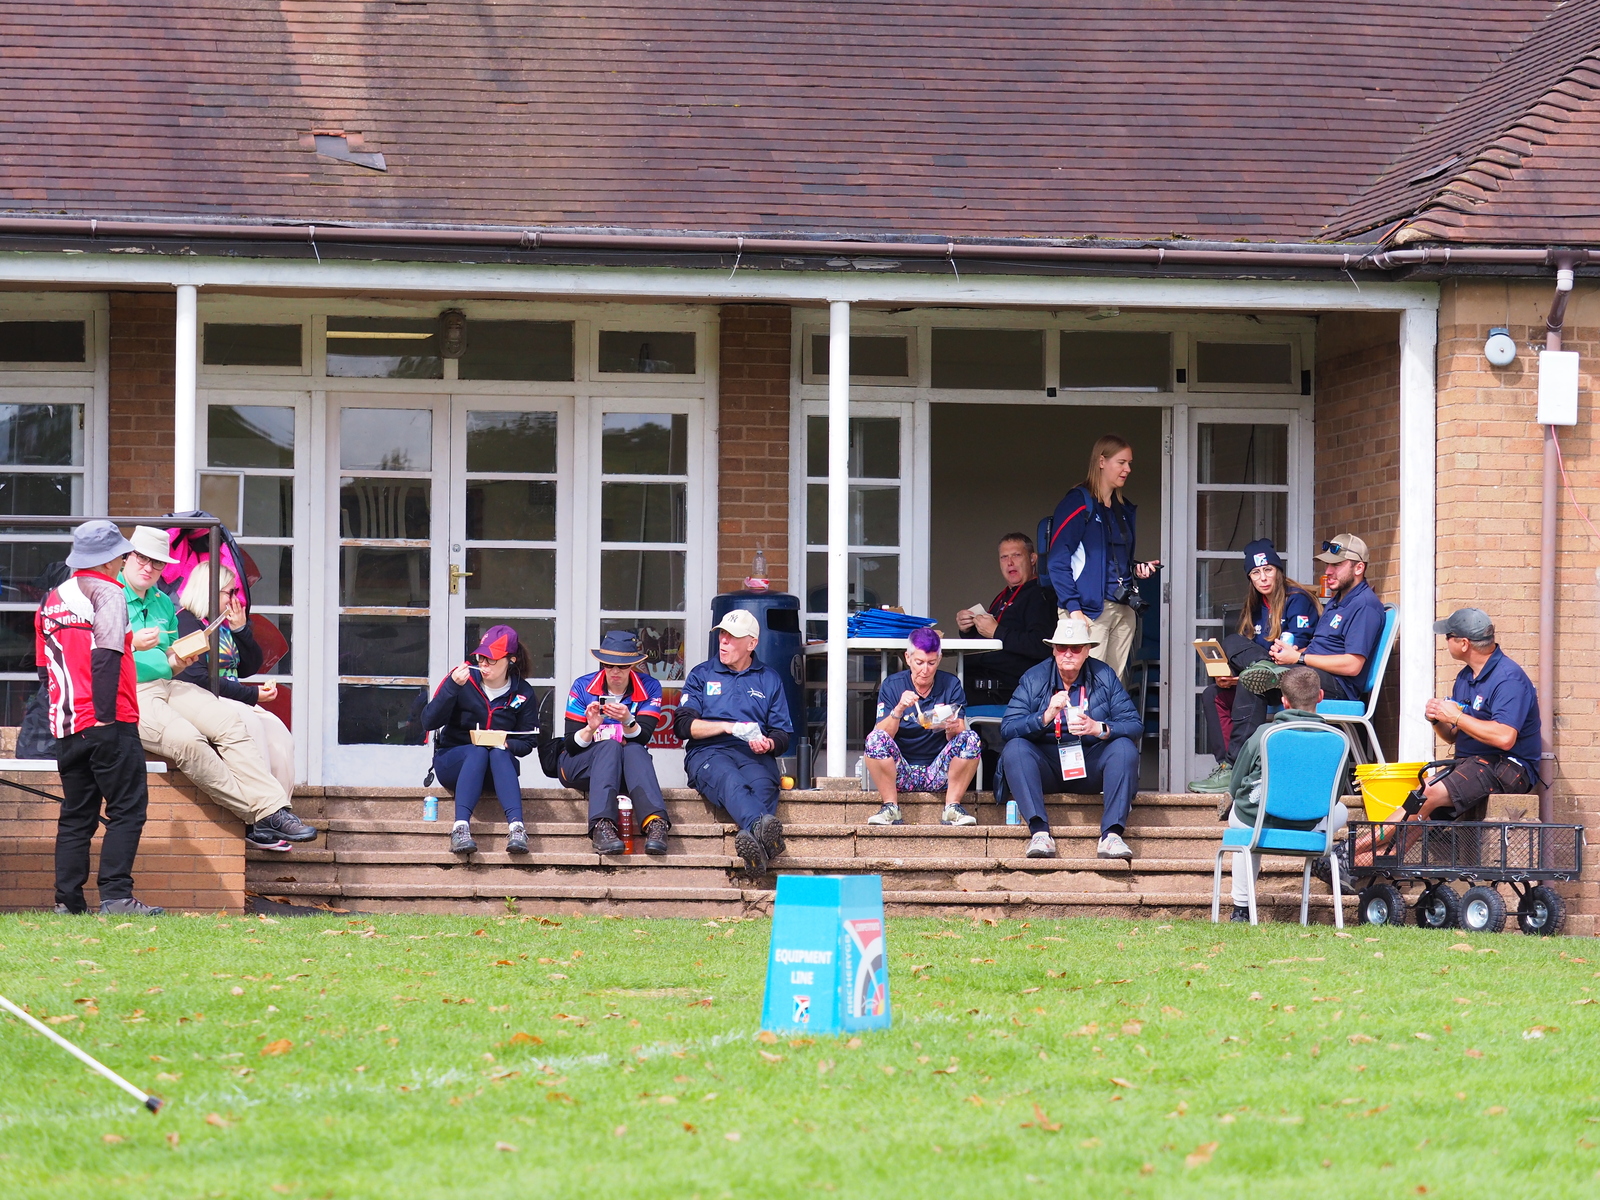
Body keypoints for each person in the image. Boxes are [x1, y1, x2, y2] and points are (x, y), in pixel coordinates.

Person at [123, 530, 312, 851]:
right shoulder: (109, 596)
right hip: (127, 690)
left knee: (230, 724)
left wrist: (182, 658)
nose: (149, 568)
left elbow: (171, 660)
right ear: (126, 557)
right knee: (189, 741)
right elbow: (91, 650)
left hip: (167, 683)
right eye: (142, 558)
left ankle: (274, 811)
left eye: (157, 563)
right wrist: (131, 643)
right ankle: (258, 815)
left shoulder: (161, 603)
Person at [39, 521, 161, 915]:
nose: (125, 558)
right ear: (110, 559)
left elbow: (44, 669)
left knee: (77, 815)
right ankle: (116, 898)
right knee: (128, 808)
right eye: (123, 553)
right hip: (109, 719)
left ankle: (68, 903)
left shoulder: (52, 598)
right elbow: (106, 656)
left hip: (67, 724)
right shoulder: (108, 592)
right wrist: (107, 720)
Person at [995, 616, 1143, 860]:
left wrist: (1099, 728)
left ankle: (1112, 836)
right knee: (1016, 749)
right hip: (1048, 764)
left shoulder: (1103, 675)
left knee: (1124, 747)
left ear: (1087, 651)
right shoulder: (1034, 678)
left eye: (1075, 648)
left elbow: (1133, 725)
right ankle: (1039, 833)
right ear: (1053, 650)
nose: (1068, 654)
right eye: (1062, 647)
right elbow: (1008, 728)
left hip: (1091, 761)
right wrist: (1045, 716)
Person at [1189, 539, 1321, 793]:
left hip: (1293, 678)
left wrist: (1270, 664)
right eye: (1256, 572)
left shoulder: (1298, 599)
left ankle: (1237, 764)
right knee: (1213, 694)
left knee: (1241, 663)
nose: (1263, 577)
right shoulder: (1256, 606)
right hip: (1266, 676)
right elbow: (1248, 646)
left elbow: (1305, 649)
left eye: (1268, 569)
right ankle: (1227, 770)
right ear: (1250, 578)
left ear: (1278, 571)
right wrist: (1232, 677)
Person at [1223, 666, 1351, 923]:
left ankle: (1241, 908)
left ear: (1283, 700)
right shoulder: (1338, 739)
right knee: (1342, 811)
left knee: (1244, 829)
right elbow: (1334, 795)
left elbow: (1236, 784)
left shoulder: (1265, 734)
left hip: (1257, 820)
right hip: (1309, 824)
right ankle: (1321, 852)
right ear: (1321, 696)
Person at [675, 609, 792, 876]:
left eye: (732, 636)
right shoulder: (701, 675)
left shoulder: (769, 678)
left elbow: (782, 734)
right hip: (708, 752)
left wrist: (769, 745)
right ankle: (763, 833)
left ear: (751, 644)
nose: (724, 641)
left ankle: (756, 848)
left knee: (764, 783)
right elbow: (683, 726)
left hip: (752, 754)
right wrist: (727, 726)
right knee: (730, 780)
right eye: (722, 634)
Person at [174, 562, 295, 804]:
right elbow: (197, 677)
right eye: (230, 592)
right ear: (209, 590)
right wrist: (251, 695)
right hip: (207, 700)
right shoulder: (186, 622)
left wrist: (241, 630)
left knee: (280, 737)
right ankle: (259, 811)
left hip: (234, 698)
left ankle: (279, 810)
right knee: (252, 728)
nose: (234, 599)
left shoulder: (222, 623)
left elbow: (249, 667)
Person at [1045, 434, 1160, 677]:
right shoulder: (1078, 502)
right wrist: (1074, 610)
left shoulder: (1122, 508)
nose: (1127, 469)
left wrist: (1137, 568)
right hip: (1088, 610)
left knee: (1112, 687)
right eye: (1121, 462)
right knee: (1083, 686)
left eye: (1130, 464)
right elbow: (1057, 561)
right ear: (1101, 461)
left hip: (1123, 608)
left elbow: (1110, 560)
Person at [419, 625, 541, 855]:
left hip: (496, 768)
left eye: (491, 659)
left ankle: (517, 828)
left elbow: (528, 742)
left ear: (511, 660)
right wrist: (452, 688)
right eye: (480, 657)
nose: (483, 664)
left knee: (496, 751)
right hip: (454, 762)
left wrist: (506, 744)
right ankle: (460, 828)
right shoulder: (462, 680)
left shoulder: (522, 692)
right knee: (477, 750)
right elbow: (428, 721)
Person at [1417, 608, 1539, 819]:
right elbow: (1454, 735)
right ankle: (1371, 852)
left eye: (1448, 637)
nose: (1445, 642)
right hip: (1470, 762)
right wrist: (1437, 719)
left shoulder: (1508, 679)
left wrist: (1456, 716)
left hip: (1508, 765)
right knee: (1419, 797)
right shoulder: (1465, 677)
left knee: (1427, 792)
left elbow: (1504, 737)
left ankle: (1359, 848)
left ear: (1464, 643)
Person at [559, 630, 670, 855]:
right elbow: (570, 745)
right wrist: (590, 727)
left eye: (623, 665)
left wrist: (627, 719)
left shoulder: (649, 686)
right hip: (580, 765)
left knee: (635, 749)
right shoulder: (583, 686)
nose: (615, 671)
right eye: (608, 665)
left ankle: (656, 823)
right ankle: (601, 825)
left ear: (634, 665)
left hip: (623, 770)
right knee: (610, 745)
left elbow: (643, 737)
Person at [1246, 532, 1386, 703]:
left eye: (1337, 565)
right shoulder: (1336, 600)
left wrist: (1299, 658)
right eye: (1328, 564)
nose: (1328, 571)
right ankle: (1250, 731)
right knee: (1252, 684)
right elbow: (1318, 648)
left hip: (1337, 684)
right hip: (1312, 673)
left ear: (1359, 568)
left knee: (1267, 682)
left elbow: (1352, 665)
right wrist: (1290, 654)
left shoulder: (1364, 605)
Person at [864, 625, 982, 827]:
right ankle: (890, 807)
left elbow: (961, 733)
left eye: (931, 663)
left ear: (939, 659)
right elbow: (881, 735)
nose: (925, 670)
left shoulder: (950, 684)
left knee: (971, 738)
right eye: (919, 662)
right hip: (901, 771)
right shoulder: (893, 685)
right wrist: (899, 709)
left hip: (939, 770)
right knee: (874, 739)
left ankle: (952, 807)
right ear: (908, 658)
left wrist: (951, 725)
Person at [956, 532, 1055, 707]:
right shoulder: (1003, 596)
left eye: (1016, 555)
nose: (1010, 563)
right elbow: (992, 638)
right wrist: (968, 629)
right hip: (974, 688)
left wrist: (997, 631)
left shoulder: (1041, 595)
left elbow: (1042, 646)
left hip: (1008, 695)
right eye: (1004, 557)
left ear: (1032, 558)